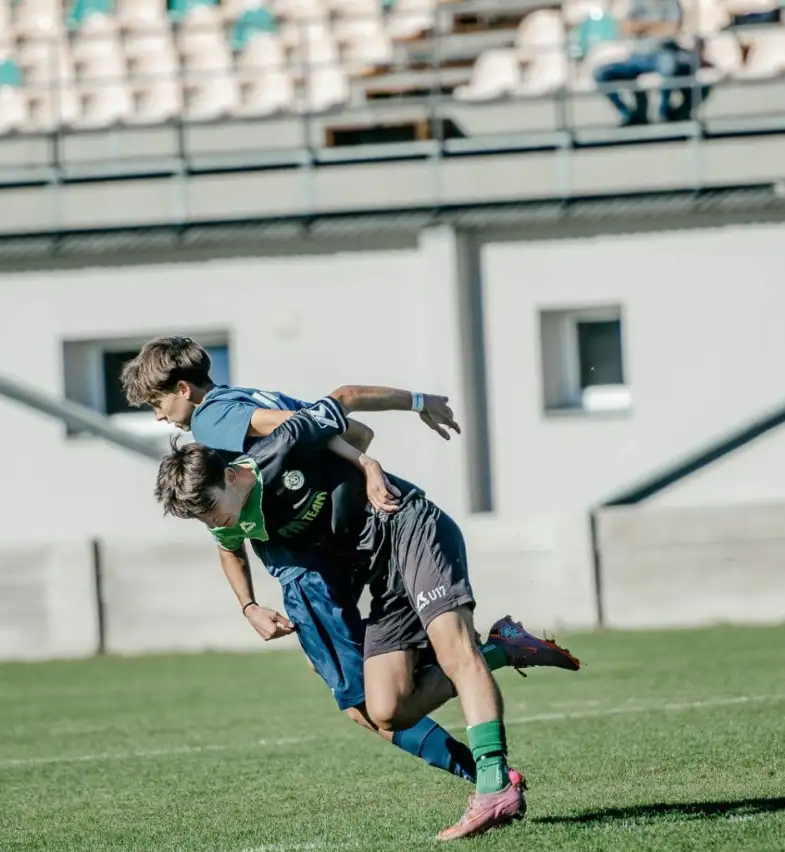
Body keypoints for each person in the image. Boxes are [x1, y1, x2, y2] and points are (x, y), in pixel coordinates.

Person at [125, 338, 578, 808]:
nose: (158, 416)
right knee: (379, 704)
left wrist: (366, 465)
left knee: (367, 705)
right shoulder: (237, 417)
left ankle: (488, 775)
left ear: (183, 387)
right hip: (328, 550)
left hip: (316, 560)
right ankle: (492, 679)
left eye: (157, 403)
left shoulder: (212, 420)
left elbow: (300, 431)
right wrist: (249, 604)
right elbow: (351, 429)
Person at [592, 0, 709, 125]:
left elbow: (672, 28)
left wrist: (641, 27)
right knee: (601, 73)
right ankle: (628, 114)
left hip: (662, 53)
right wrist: (657, 26)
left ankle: (663, 112)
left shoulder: (671, 3)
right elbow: (625, 27)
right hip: (636, 56)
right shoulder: (637, 3)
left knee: (669, 65)